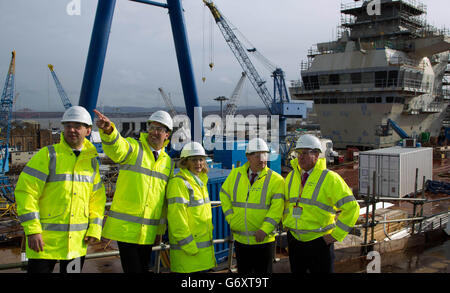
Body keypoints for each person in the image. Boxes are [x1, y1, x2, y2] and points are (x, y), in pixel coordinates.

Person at [15, 106, 106, 273]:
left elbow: (97, 199)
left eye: (77, 126)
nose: (71, 130)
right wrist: (33, 231)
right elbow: (26, 192)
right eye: (68, 125)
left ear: (88, 130)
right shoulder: (47, 155)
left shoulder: (91, 162)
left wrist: (95, 228)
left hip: (77, 244)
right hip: (43, 243)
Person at [94, 109, 174, 273]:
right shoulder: (134, 148)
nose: (154, 132)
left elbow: (162, 202)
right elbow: (117, 147)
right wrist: (109, 131)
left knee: (143, 269)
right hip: (126, 230)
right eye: (152, 127)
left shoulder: (168, 163)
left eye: (160, 129)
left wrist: (159, 231)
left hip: (148, 232)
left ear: (167, 135)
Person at [283, 134, 360, 273]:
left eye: (305, 153)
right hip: (295, 242)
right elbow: (287, 204)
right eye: (298, 153)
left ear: (317, 155)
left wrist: (334, 236)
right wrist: (287, 225)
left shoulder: (330, 178)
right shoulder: (291, 177)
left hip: (319, 243)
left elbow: (352, 208)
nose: (300, 156)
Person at [220, 138, 285, 273]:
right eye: (257, 155)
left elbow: (277, 209)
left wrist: (265, 229)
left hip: (264, 241)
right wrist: (231, 218)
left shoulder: (276, 180)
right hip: (241, 240)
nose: (262, 159)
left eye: (264, 154)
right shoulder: (235, 174)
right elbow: (224, 195)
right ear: (248, 157)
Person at [166, 142, 216, 273]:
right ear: (185, 162)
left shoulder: (200, 182)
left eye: (201, 159)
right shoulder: (179, 183)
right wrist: (190, 247)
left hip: (202, 256)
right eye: (194, 160)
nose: (198, 163)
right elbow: (177, 220)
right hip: (188, 256)